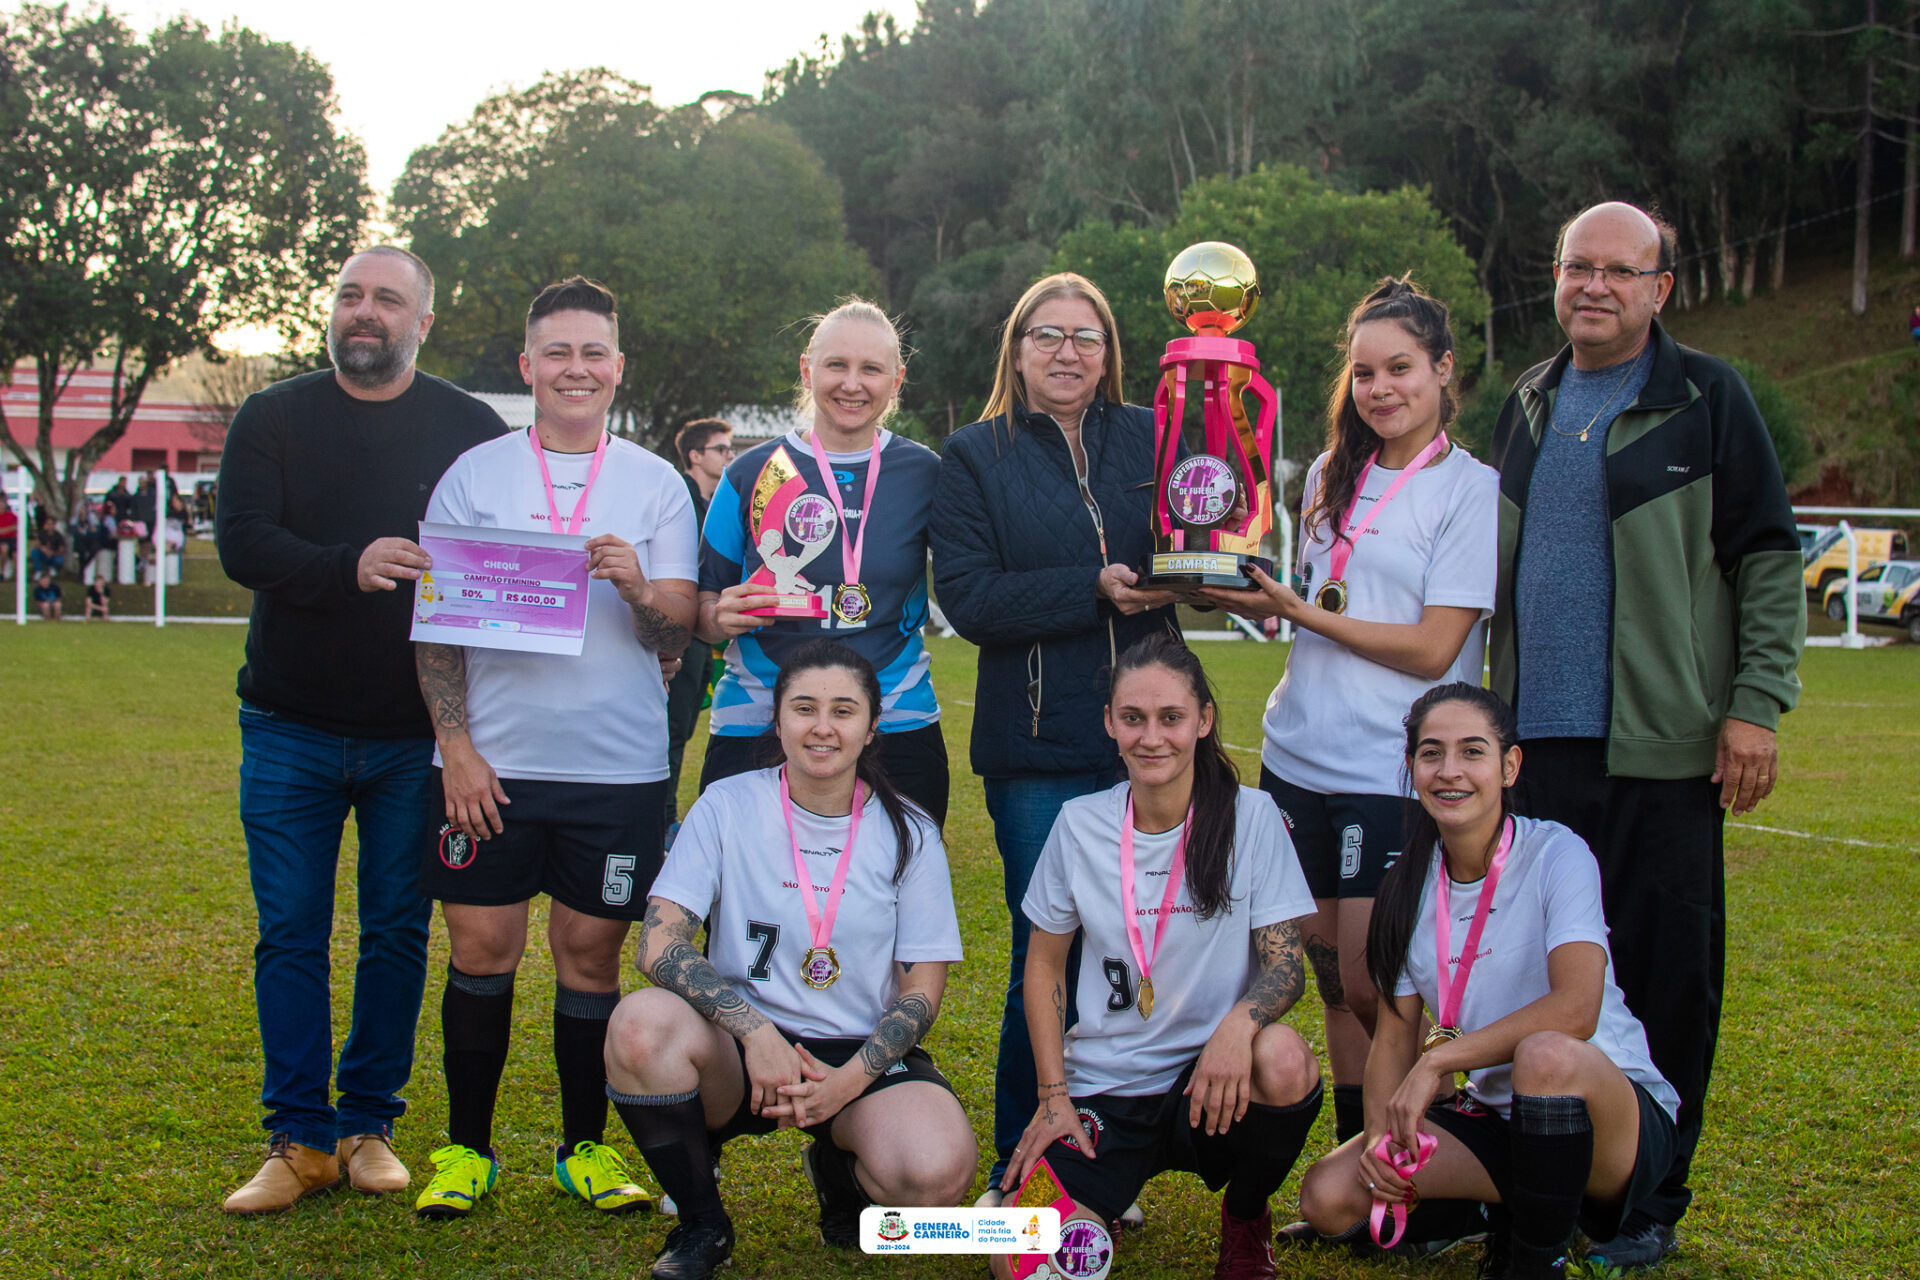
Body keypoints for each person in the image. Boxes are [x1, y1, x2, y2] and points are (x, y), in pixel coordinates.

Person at [1487, 201, 1804, 1268]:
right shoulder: (1526, 403)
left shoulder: (1708, 398)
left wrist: (1756, 703)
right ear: (1557, 276)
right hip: (1536, 748)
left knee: (1668, 969)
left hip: (1663, 747)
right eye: (1579, 266)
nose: (1596, 286)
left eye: (1622, 271)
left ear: (1661, 287)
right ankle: (1539, 1177)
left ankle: (1650, 1201)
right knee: (1540, 969)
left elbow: (1766, 556)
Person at [214, 245, 505, 1213]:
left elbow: (497, 558)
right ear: (332, 312)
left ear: (425, 318)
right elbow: (243, 541)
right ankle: (296, 1137)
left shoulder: (467, 425)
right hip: (288, 722)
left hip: (410, 735)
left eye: (387, 298)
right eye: (349, 294)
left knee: (394, 930)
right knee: (289, 931)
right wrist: (350, 562)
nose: (364, 311)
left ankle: (368, 1123)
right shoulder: (275, 414)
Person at [410, 277, 698, 1221]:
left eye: (594, 352)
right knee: (482, 949)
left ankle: (582, 1150)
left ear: (618, 366)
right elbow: (437, 629)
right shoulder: (475, 474)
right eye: (558, 353)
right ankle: (465, 1151)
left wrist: (636, 588)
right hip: (494, 766)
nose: (577, 368)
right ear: (528, 367)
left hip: (616, 770)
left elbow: (677, 633)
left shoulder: (655, 482)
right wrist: (455, 745)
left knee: (589, 959)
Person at [1199, 278, 1498, 1173]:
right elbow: (1311, 602)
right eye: (1364, 372)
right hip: (1299, 754)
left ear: (1443, 371)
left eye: (1401, 368)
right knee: (1329, 978)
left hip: (1389, 764)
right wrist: (1228, 591)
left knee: (1376, 980)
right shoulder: (1333, 473)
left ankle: (1421, 1161)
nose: (1380, 389)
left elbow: (1436, 645)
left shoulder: (1469, 488)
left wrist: (1301, 612)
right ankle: (1353, 1172)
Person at [605, 640, 973, 1280]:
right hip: (739, 1049)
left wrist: (847, 1082)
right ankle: (702, 1224)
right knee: (639, 1026)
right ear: (777, 721)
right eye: (804, 708)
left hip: (856, 1049)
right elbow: (659, 943)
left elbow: (921, 993)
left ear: (872, 726)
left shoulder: (910, 830)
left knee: (935, 1177)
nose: (823, 727)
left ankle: (839, 1169)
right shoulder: (726, 805)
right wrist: (755, 1031)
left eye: (843, 710)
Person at [930, 271, 1178, 1202]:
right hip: (1037, 753)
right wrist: (1094, 588)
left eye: (1087, 336)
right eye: (1048, 335)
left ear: (1109, 352)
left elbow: (1196, 538)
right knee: (1053, 956)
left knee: (1147, 951)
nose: (1067, 352)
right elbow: (971, 599)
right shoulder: (974, 454)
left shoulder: (1153, 434)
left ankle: (1110, 1160)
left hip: (1154, 738)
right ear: (1018, 349)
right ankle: (1020, 1167)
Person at [1297, 684, 1679, 1280]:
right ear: (1411, 768)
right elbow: (1395, 1042)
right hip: (1499, 1120)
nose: (1450, 772)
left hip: (1606, 1117)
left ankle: (1534, 1259)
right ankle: (1501, 1210)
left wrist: (1439, 1064)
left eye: (1472, 752)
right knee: (1329, 1195)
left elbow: (1577, 1010)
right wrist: (1377, 1144)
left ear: (1509, 766)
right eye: (1431, 753)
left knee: (1547, 1055)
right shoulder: (1406, 888)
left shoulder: (1558, 854)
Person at [994, 634, 1320, 1280]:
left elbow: (1285, 966)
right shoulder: (1081, 823)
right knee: (1021, 1262)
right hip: (1105, 1088)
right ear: (1110, 724)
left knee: (1284, 1059)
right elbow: (1044, 965)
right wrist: (1053, 1094)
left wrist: (1236, 1028)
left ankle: (1246, 1218)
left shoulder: (1251, 818)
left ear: (1202, 721)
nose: (1152, 738)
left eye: (1171, 718)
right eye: (1133, 719)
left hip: (1211, 1083)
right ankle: (1093, 1203)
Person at [695, 300, 948, 823]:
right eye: (836, 365)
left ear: (896, 380)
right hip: (761, 717)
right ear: (807, 369)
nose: (852, 384)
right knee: (745, 894)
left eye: (871, 369)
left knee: (895, 887)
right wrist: (718, 617)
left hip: (895, 716)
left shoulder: (926, 472)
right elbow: (701, 605)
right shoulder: (748, 472)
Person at [664, 417, 734, 836]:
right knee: (671, 732)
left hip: (702, 638)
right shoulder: (678, 498)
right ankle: (664, 821)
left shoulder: (712, 505)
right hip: (677, 635)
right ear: (695, 456)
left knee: (685, 728)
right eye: (721, 449)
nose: (730, 456)